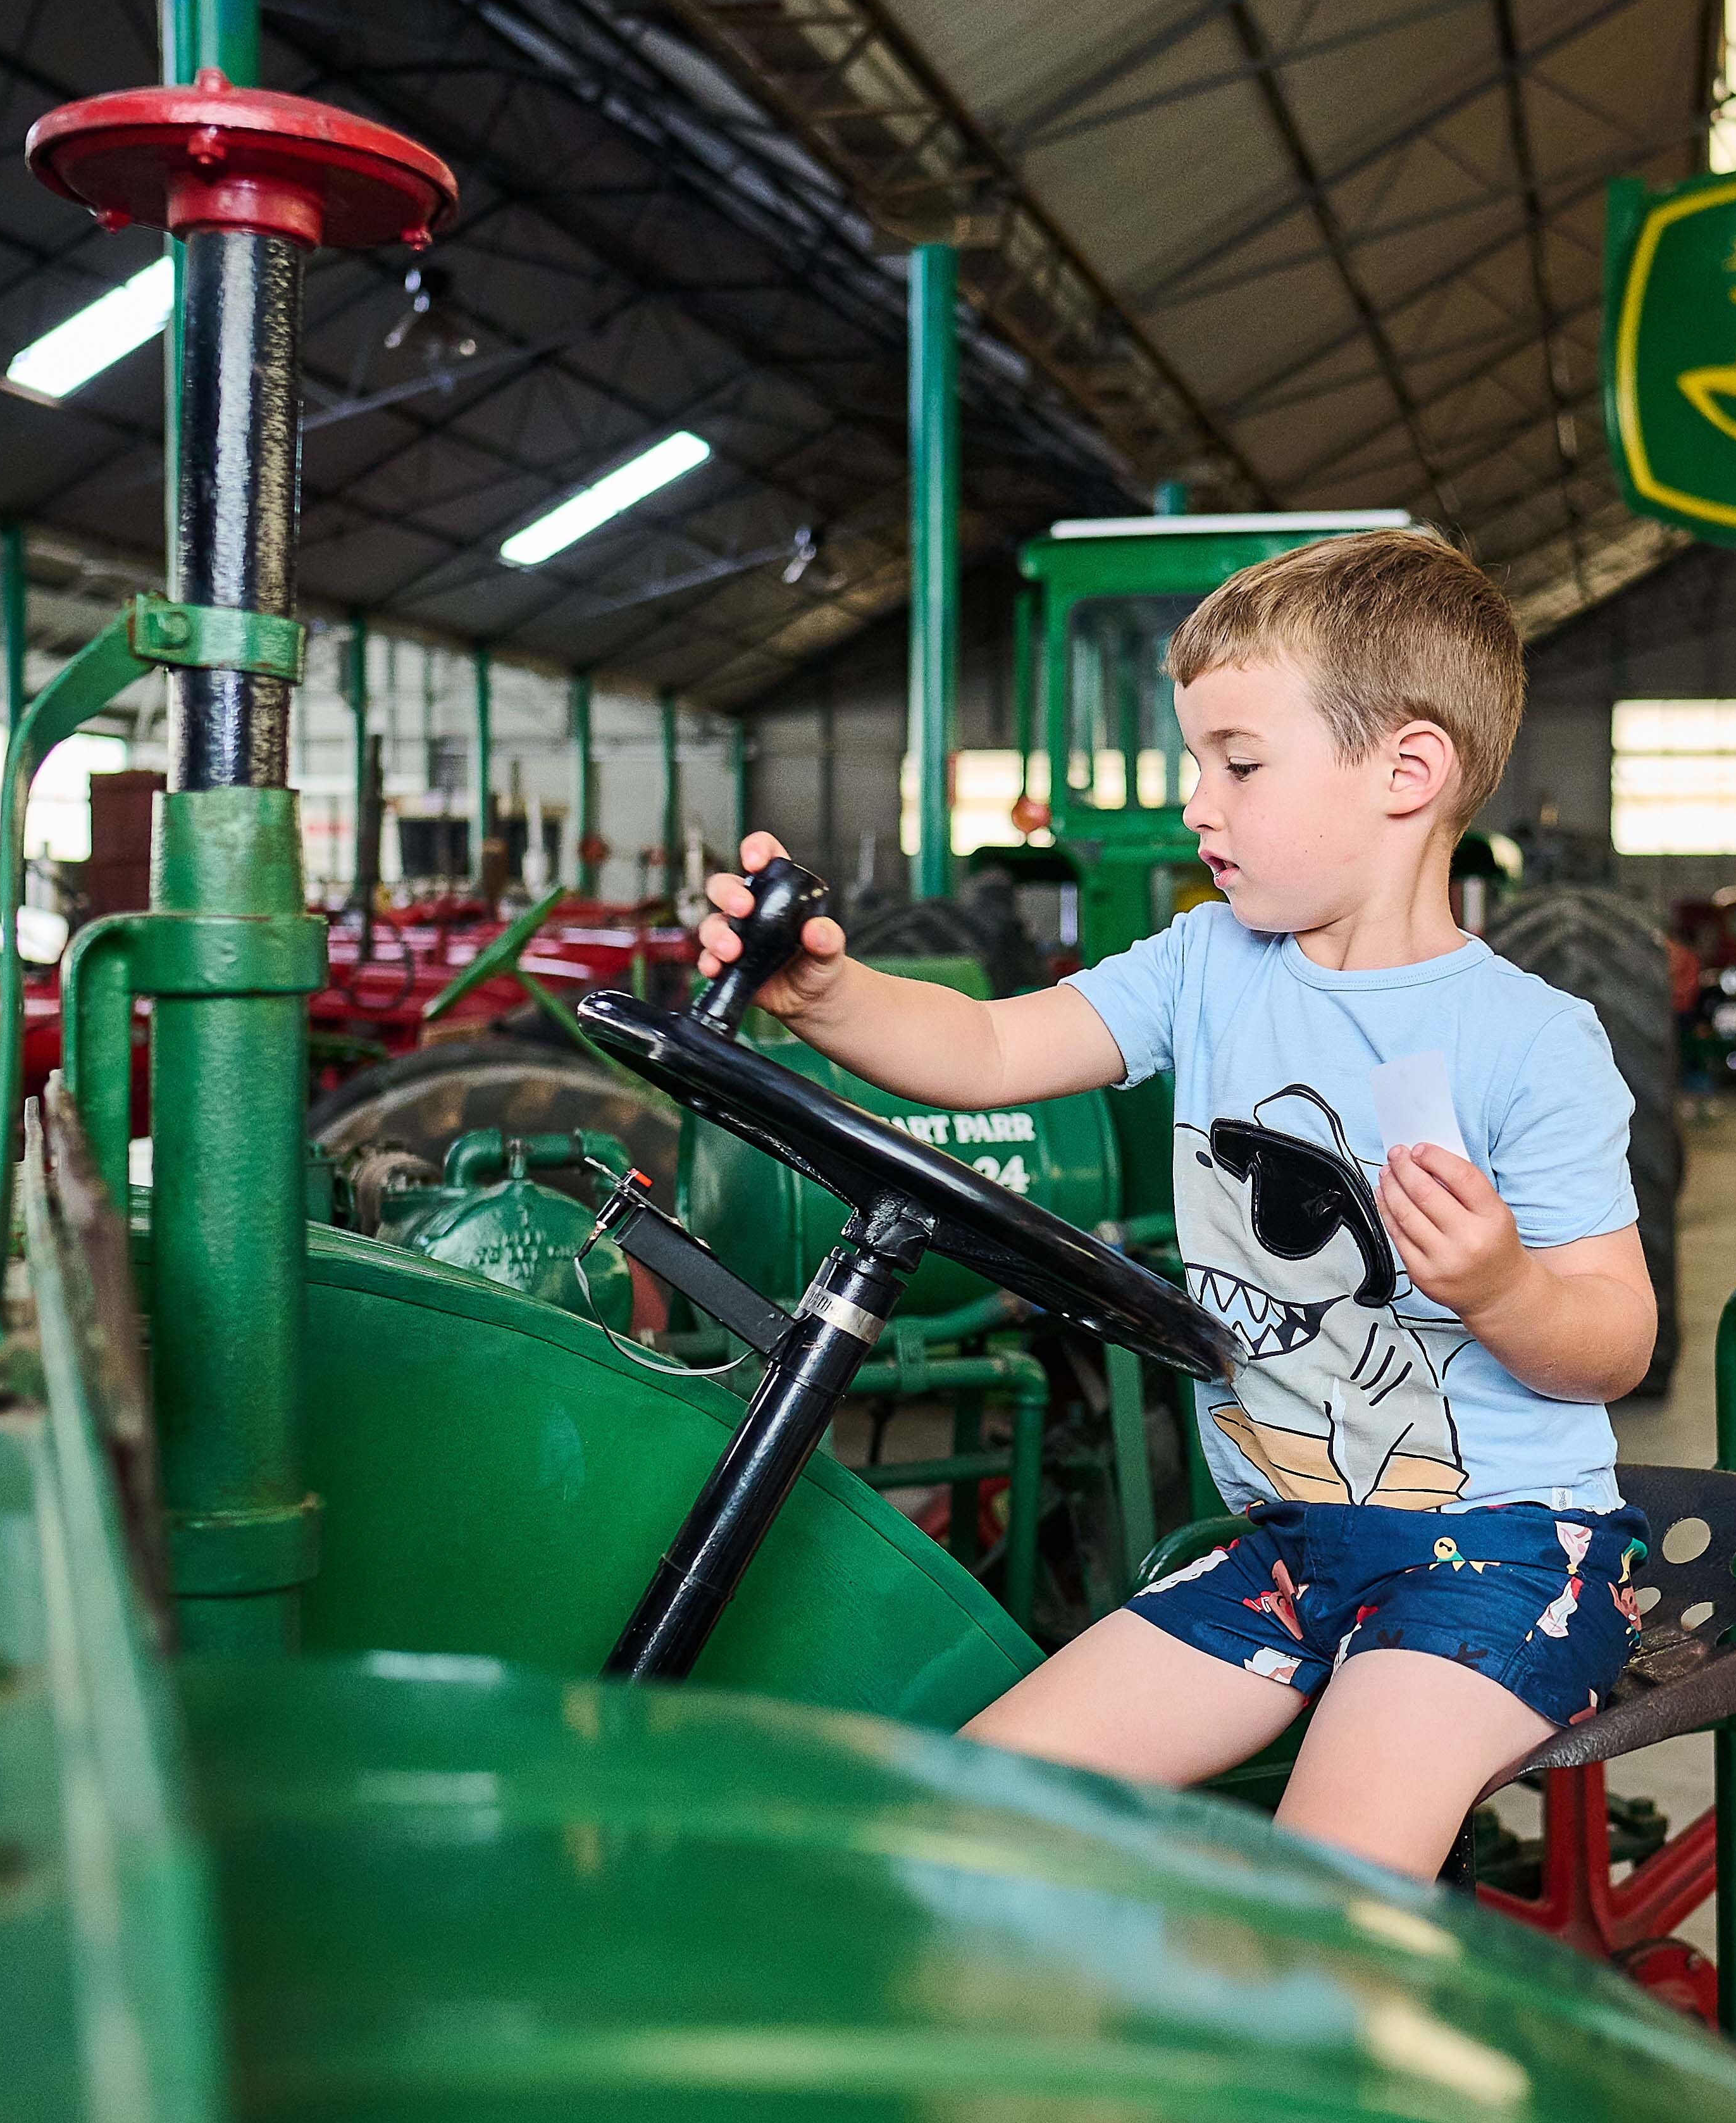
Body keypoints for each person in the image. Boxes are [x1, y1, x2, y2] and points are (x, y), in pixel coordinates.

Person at [693, 530, 1655, 1879]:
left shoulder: (1531, 1039)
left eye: (1237, 763)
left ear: (1406, 770)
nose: (1195, 801)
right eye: (1194, 760)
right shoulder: (1210, 962)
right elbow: (988, 1052)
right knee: (969, 1806)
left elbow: (1613, 1341)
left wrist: (1501, 1286)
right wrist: (831, 998)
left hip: (1497, 1559)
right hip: (1291, 1545)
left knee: (1310, 1895)